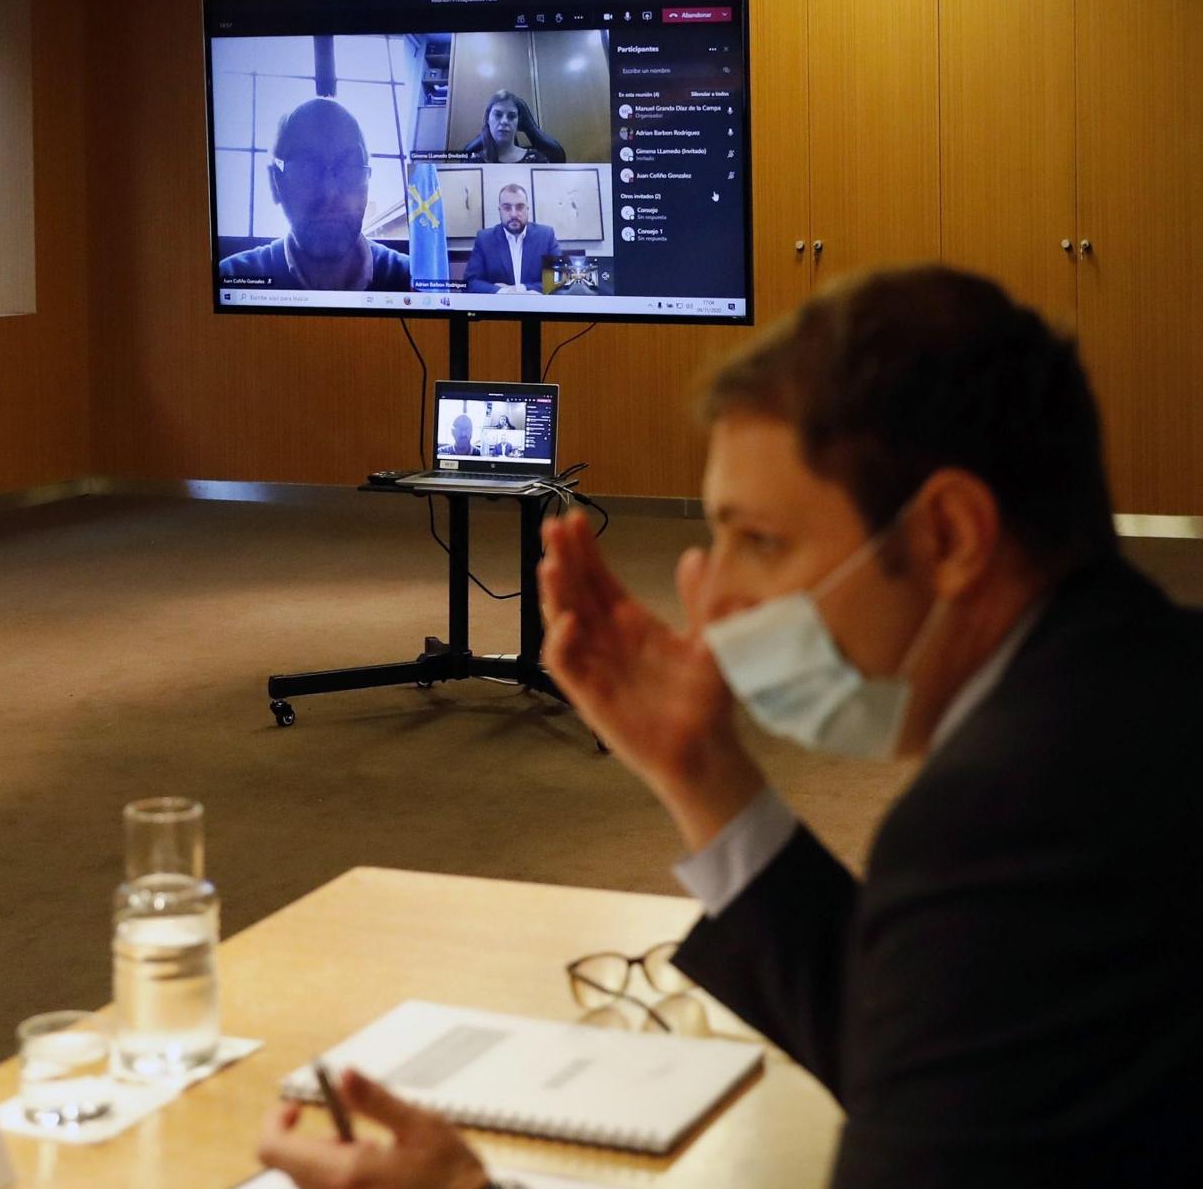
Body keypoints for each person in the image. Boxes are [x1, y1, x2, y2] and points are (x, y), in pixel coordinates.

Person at [255, 265, 1203, 1189]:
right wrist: (700, 773)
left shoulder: (1009, 822)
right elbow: (932, 1043)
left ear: (949, 534)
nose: (715, 601)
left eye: (762, 541)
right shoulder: (1145, 687)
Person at [218, 97, 411, 291]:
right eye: (306, 169)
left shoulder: (412, 279)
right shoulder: (230, 277)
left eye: (349, 168)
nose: (330, 194)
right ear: (276, 183)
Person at [463, 185, 561, 294]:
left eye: (520, 207)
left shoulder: (546, 236)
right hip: (499, 305)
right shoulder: (485, 239)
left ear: (527, 209)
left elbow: (560, 279)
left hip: (536, 304)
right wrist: (504, 292)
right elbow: (470, 283)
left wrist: (521, 288)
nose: (514, 214)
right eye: (507, 208)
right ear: (500, 210)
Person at [463, 90, 566, 164]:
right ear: (488, 120)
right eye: (498, 115)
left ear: (518, 122)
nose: (504, 121)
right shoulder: (474, 162)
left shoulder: (536, 160)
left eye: (511, 116)